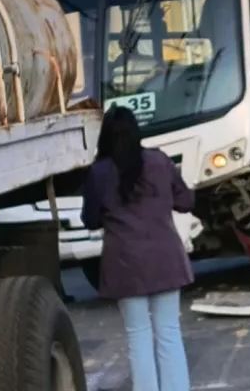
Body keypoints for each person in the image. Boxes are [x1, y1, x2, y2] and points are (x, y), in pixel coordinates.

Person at [81, 106, 194, 391]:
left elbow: (91, 220)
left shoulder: (99, 172)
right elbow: (186, 202)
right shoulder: (159, 161)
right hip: (165, 260)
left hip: (125, 265)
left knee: (138, 337)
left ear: (105, 137)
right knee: (169, 332)